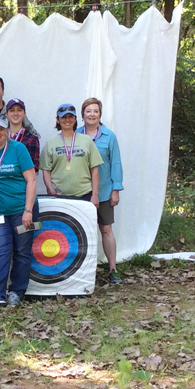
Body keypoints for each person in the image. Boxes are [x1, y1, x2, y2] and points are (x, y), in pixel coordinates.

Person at [0, 116, 39, 310]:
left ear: (7, 130)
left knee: (21, 251)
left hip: (22, 210)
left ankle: (17, 292)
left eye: (1, 129)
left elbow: (32, 180)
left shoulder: (18, 149)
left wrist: (28, 210)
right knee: (1, 251)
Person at [79, 98, 125, 284]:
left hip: (104, 190)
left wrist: (116, 189)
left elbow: (116, 163)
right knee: (80, 230)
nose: (92, 114)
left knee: (106, 228)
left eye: (95, 111)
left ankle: (112, 269)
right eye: (88, 111)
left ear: (100, 114)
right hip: (81, 191)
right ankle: (83, 270)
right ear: (82, 115)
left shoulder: (109, 136)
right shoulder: (76, 135)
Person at [40, 104, 103, 216]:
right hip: (59, 196)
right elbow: (46, 170)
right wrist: (51, 191)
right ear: (57, 120)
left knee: (85, 231)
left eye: (70, 116)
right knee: (62, 232)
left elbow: (94, 170)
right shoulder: (50, 143)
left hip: (84, 194)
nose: (67, 120)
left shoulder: (87, 141)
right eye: (64, 117)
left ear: (75, 119)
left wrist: (95, 195)